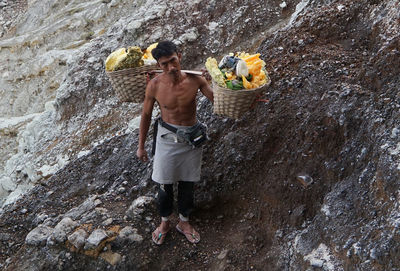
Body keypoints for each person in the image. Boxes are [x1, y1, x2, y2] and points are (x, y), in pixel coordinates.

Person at [136, 41, 213, 245]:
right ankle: (164, 222)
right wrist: (141, 146)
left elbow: (216, 99)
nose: (170, 67)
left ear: (179, 55)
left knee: (188, 182)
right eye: (164, 64)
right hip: (167, 140)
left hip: (191, 138)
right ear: (158, 65)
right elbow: (145, 115)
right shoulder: (154, 86)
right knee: (164, 184)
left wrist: (215, 80)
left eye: (173, 60)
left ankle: (184, 222)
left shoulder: (196, 79)